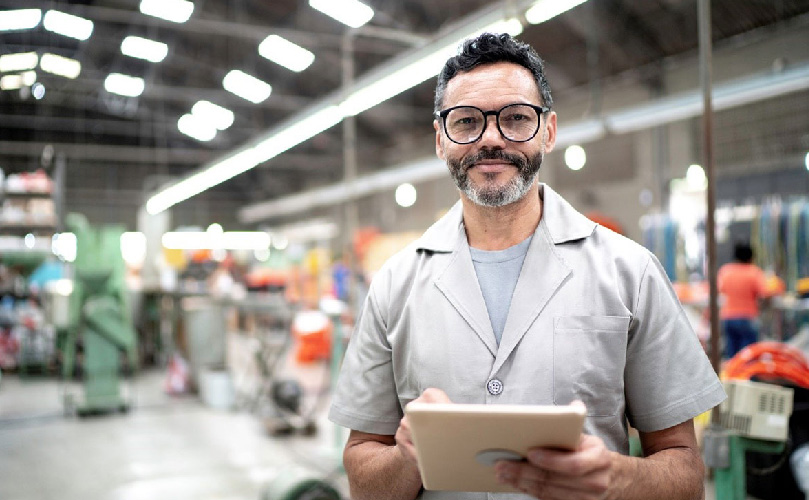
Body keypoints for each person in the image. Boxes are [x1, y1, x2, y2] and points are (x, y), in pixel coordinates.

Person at [329, 32, 726, 500]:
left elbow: (685, 471)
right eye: (466, 121)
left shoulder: (629, 273)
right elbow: (362, 476)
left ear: (549, 131)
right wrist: (406, 456)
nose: (492, 138)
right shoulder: (394, 285)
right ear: (440, 140)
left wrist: (618, 478)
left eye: (516, 118)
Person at [718, 242, 769, 359]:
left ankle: (732, 376)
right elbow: (765, 294)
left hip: (728, 317)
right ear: (751, 257)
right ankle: (747, 377)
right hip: (747, 317)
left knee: (732, 356)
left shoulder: (726, 271)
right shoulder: (754, 272)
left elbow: (721, 290)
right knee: (749, 357)